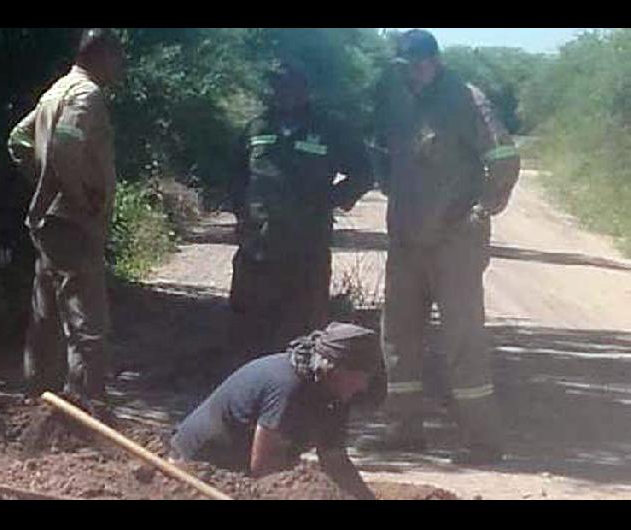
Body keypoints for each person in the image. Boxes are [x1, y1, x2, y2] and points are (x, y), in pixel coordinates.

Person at [371, 29, 520, 464]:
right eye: (404, 65)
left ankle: (482, 441)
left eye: (418, 63)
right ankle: (402, 430)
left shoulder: (466, 98)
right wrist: (386, 181)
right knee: (397, 335)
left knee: (462, 339)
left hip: (454, 243)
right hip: (406, 240)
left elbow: (504, 159)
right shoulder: (395, 98)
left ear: (435, 60)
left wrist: (483, 208)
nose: (411, 72)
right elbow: (379, 147)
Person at [7, 29, 124, 415]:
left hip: (50, 222)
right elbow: (63, 148)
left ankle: (38, 401)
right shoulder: (86, 95)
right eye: (117, 58)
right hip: (73, 224)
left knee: (46, 315)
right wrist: (76, 196)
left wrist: (42, 184)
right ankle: (89, 413)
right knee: (86, 321)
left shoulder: (55, 90)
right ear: (101, 55)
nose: (119, 67)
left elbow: (18, 140)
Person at [228, 65, 372, 358]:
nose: (283, 92)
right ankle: (250, 387)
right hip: (258, 247)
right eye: (278, 85)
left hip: (307, 248)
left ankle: (303, 391)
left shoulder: (330, 129)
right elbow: (235, 177)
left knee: (303, 327)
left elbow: (363, 173)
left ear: (305, 90)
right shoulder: (256, 128)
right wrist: (243, 215)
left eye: (291, 85)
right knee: (250, 323)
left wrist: (329, 200)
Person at [169, 322, 387, 499]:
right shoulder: (288, 388)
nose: (363, 386)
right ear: (335, 369)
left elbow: (335, 460)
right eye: (361, 377)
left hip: (241, 470)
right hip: (196, 472)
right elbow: (265, 470)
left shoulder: (334, 393)